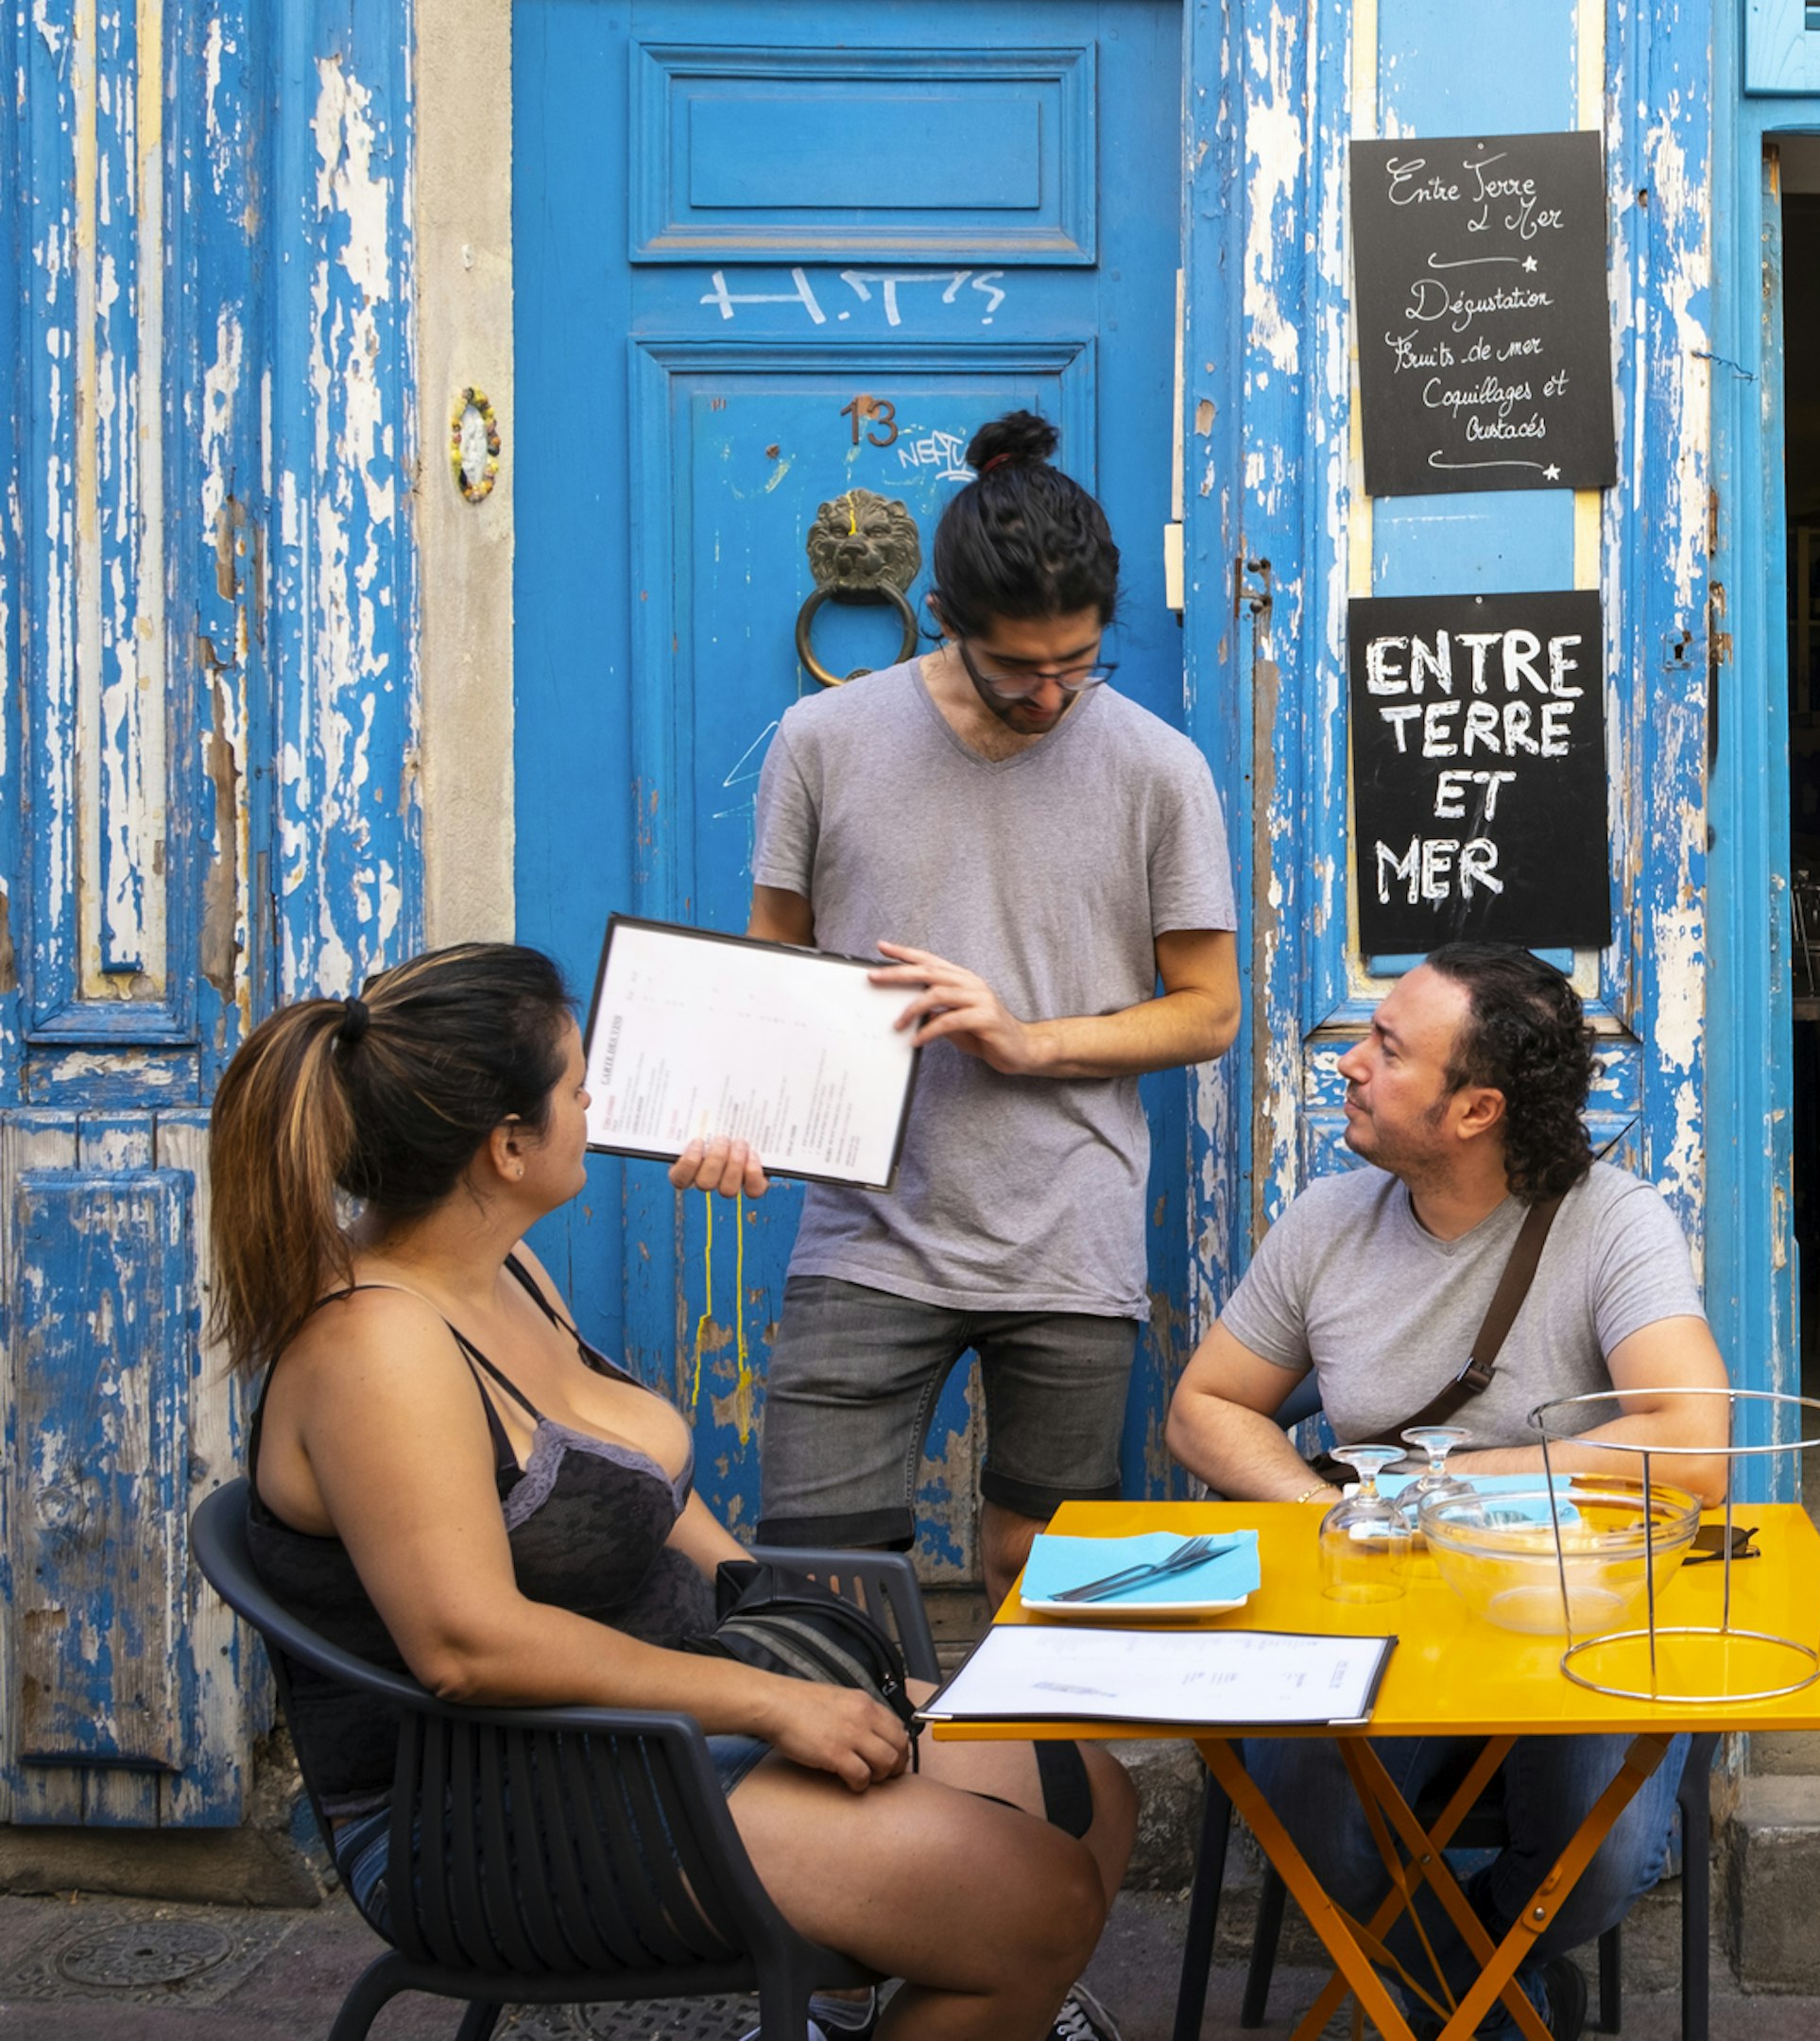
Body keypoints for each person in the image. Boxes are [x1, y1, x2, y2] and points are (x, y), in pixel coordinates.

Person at [215, 946, 1135, 2041]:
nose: (594, 1096)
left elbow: (632, 1483)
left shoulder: (497, 1265)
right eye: (572, 1082)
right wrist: (775, 1701)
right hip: (489, 1805)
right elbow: (470, 1647)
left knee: (1090, 1792)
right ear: (508, 1147)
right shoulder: (379, 1348)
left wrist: (781, 1619)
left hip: (652, 1722)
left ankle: (912, 2011)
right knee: (1034, 1902)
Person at [673, 409, 1243, 1604]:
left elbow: (1206, 1012)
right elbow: (770, 970)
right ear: (945, 617)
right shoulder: (825, 739)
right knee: (823, 1576)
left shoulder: (1157, 769)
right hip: (865, 1233)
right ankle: (876, 1785)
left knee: (1042, 1575)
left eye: (1079, 665)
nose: (1051, 696)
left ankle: (1041, 1800)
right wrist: (740, 1114)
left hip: (1067, 1237)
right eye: (1021, 669)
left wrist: (1028, 1039)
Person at [1166, 946, 1730, 2041]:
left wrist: (1439, 1485)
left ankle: (1442, 1975)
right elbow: (1205, 1408)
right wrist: (1317, 1504)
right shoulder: (1330, 1221)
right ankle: (1489, 1993)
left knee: (1605, 1859)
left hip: (1570, 1614)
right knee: (1304, 1805)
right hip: (1370, 1615)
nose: (1348, 1065)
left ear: (1476, 1108)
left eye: (1385, 1049)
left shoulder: (1615, 1223)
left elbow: (1695, 1445)